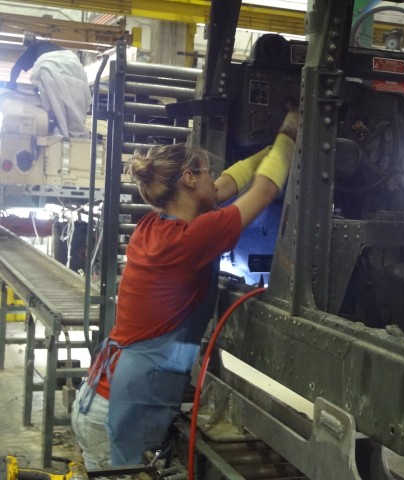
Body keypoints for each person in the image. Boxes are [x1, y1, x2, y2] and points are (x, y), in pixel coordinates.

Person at [70, 108, 300, 468]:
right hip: (117, 414)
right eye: (206, 173)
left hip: (100, 399)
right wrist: (291, 135)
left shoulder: (156, 225)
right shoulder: (192, 239)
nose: (215, 180)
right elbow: (264, 190)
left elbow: (227, 184)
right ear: (190, 179)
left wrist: (270, 149)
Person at [8, 38, 91, 138]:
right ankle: (78, 132)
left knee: (56, 103)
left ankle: (62, 133)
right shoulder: (53, 47)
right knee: (75, 102)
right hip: (73, 63)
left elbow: (16, 68)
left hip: (50, 63)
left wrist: (11, 84)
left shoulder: (33, 47)